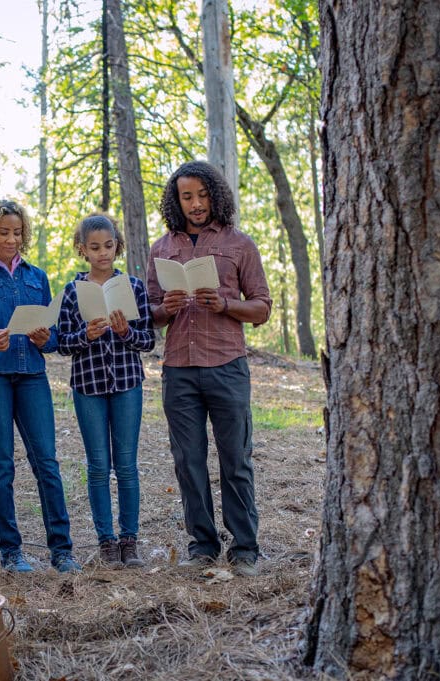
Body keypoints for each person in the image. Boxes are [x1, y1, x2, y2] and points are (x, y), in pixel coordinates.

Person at [145, 160, 272, 577]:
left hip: (227, 366)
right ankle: (203, 544)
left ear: (215, 196)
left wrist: (226, 304)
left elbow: (262, 308)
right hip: (179, 369)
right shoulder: (162, 249)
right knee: (188, 461)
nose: (195, 204)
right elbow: (150, 313)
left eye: (201, 195)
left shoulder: (240, 245)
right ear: (176, 201)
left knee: (235, 459)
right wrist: (166, 308)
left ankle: (245, 548)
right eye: (186, 197)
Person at [0, 199, 80, 574]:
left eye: (17, 232)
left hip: (32, 377)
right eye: (4, 233)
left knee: (47, 462)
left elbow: (53, 338)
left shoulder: (36, 277)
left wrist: (46, 338)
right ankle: (11, 551)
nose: (11, 239)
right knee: (2, 464)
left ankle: (62, 550)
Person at [57, 214, 154, 568]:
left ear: (118, 246)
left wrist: (126, 332)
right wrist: (87, 335)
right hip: (89, 386)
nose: (102, 253)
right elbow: (62, 344)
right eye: (94, 247)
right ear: (82, 249)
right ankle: (106, 541)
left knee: (126, 465)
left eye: (108, 246)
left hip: (128, 383)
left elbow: (148, 340)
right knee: (98, 466)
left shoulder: (133, 287)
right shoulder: (72, 292)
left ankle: (130, 540)